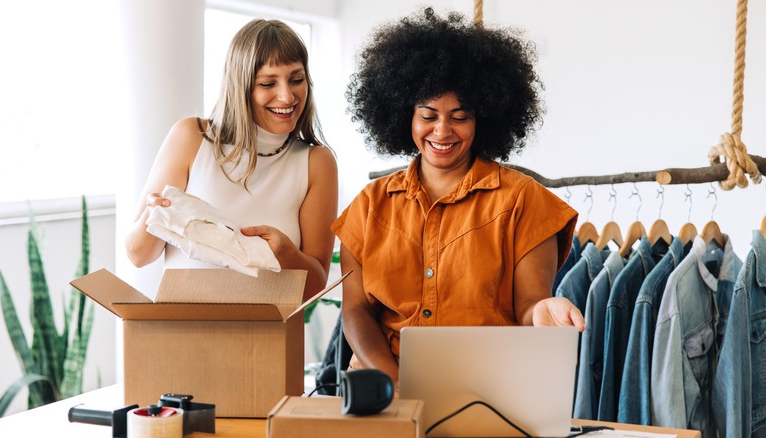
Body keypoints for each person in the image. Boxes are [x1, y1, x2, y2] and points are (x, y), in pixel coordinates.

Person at [332, 7, 584, 390]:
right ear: (405, 117)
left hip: (486, 390)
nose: (442, 130)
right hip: (382, 389)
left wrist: (543, 310)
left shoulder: (523, 200)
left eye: (460, 116)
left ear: (483, 119)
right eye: (428, 115)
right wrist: (394, 383)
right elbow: (355, 310)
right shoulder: (369, 205)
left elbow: (530, 302)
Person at [125, 19, 338, 301]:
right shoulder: (192, 137)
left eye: (296, 80)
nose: (287, 96)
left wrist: (285, 253)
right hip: (184, 334)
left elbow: (315, 286)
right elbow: (138, 256)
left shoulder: (316, 162)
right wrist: (155, 216)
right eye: (268, 83)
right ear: (241, 86)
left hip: (266, 340)